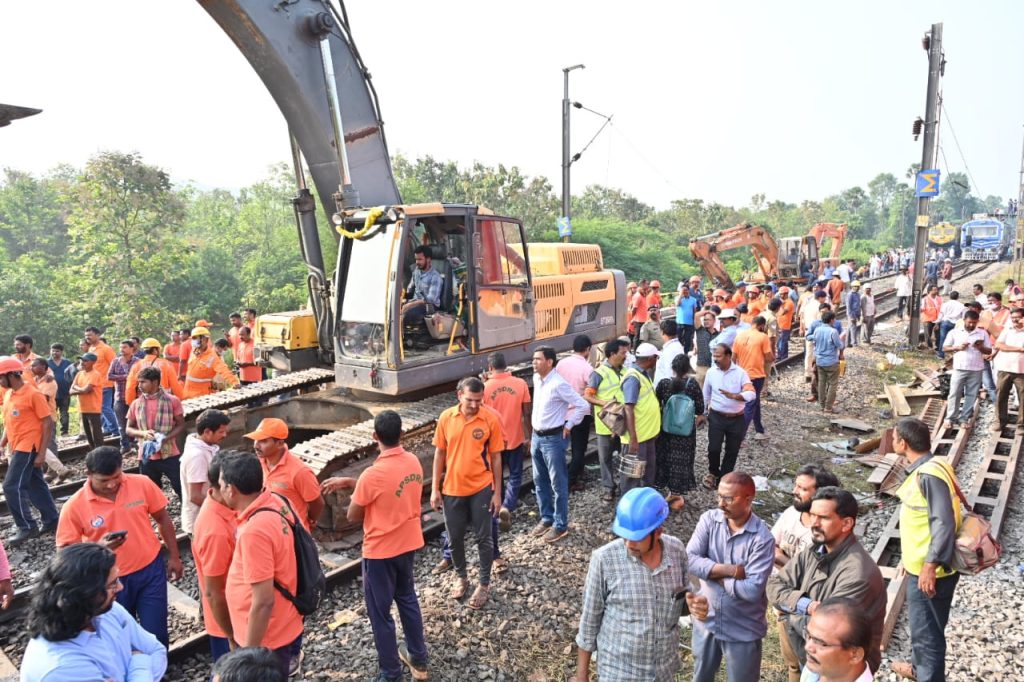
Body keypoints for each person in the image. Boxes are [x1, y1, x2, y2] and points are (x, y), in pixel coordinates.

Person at [321, 411, 430, 682]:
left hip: (381, 552)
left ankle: (391, 673)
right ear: (402, 434)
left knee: (380, 614)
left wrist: (354, 490)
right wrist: (352, 483)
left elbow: (353, 515)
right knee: (407, 598)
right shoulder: (413, 462)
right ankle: (419, 657)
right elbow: (391, 488)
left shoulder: (373, 474)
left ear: (374, 437)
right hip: (408, 543)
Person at [56, 446, 184, 647]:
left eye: (116, 477)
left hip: (150, 570)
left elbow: (163, 518)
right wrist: (99, 548)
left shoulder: (141, 484)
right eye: (103, 480)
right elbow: (65, 553)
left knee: (156, 631)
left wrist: (175, 557)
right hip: (106, 582)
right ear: (88, 475)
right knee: (119, 636)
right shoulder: (74, 506)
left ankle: (158, 673)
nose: (111, 484)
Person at [766, 487, 886, 678]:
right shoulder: (816, 550)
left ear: (847, 523)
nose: (814, 523)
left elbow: (829, 633)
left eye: (823, 517)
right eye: (812, 515)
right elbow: (773, 586)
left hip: (840, 670)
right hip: (815, 657)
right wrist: (806, 605)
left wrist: (787, 610)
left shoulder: (859, 574)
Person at [575, 488, 688, 681]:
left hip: (663, 670)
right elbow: (589, 621)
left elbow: (684, 602)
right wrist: (581, 676)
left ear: (658, 531)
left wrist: (696, 604)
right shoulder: (604, 559)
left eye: (636, 538)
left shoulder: (677, 551)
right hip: (619, 672)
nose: (628, 544)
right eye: (624, 536)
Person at [20, 543, 167, 682]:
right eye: (113, 584)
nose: (121, 587)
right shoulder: (62, 667)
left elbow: (156, 650)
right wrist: (139, 661)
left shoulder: (107, 610)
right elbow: (148, 656)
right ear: (85, 592)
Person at [890, 418, 963, 682]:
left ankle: (928, 675)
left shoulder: (928, 475)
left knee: (927, 635)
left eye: (895, 437)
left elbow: (944, 523)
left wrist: (929, 566)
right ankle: (920, 670)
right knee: (926, 628)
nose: (893, 441)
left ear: (903, 443)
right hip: (921, 565)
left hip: (931, 571)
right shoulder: (936, 464)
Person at [685, 472, 775, 682]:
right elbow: (689, 559)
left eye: (729, 498)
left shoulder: (762, 539)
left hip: (743, 627)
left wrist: (710, 574)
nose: (721, 504)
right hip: (707, 620)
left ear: (748, 499)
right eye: (719, 496)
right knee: (701, 677)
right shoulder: (709, 520)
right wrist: (730, 570)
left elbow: (752, 590)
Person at [219, 452, 303, 675]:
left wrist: (248, 655)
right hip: (283, 619)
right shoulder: (277, 500)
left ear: (232, 489)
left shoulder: (254, 531)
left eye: (220, 484)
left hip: (268, 636)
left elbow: (263, 600)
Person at [431, 377, 503, 606]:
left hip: (481, 488)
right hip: (452, 488)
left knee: (484, 538)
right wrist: (435, 488)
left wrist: (497, 492)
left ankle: (483, 584)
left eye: (479, 401)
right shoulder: (446, 418)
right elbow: (439, 454)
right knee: (455, 538)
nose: (474, 405)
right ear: (459, 395)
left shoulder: (489, 419)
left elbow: (496, 457)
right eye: (470, 400)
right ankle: (461, 577)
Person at [529, 347, 589, 540]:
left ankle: (560, 524)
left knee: (558, 482)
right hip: (536, 437)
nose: (534, 362)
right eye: (533, 359)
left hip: (553, 439)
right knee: (540, 480)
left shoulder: (558, 384)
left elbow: (583, 405)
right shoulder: (537, 379)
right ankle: (546, 518)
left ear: (549, 362)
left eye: (538, 359)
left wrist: (570, 424)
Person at [0, 356, 61, 546]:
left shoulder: (33, 394)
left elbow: (47, 422)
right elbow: (9, 424)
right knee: (36, 484)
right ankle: (52, 520)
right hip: (17, 445)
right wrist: (1, 444)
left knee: (11, 487)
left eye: (1, 376)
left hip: (28, 447)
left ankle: (26, 527)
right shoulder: (9, 394)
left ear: (12, 375)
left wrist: (42, 453)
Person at [192, 452, 239, 661]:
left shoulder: (223, 505)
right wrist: (231, 635)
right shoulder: (215, 531)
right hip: (229, 620)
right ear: (228, 489)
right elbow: (213, 592)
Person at [480, 353, 531, 531]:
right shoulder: (520, 384)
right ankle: (506, 506)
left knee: (496, 476)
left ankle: (496, 506)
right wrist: (529, 436)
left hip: (493, 442)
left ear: (490, 368)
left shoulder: (485, 388)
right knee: (516, 474)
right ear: (506, 366)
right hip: (515, 438)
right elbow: (526, 414)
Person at [245, 418, 324, 531]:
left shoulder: (300, 471)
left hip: (293, 533)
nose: (256, 446)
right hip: (270, 528)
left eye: (263, 441)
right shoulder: (258, 462)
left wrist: (309, 520)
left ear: (280, 443)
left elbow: (317, 503)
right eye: (256, 440)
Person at [125, 366, 186, 501]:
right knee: (151, 492)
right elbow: (128, 429)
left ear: (155, 382)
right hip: (147, 455)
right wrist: (143, 433)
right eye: (139, 382)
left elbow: (181, 424)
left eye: (143, 382)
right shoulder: (136, 403)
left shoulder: (172, 401)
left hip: (169, 453)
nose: (139, 385)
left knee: (181, 487)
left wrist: (165, 438)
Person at [700, 344, 755, 490]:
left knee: (732, 450)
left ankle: (724, 478)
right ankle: (713, 473)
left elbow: (751, 393)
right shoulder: (711, 372)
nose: (715, 359)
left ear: (729, 356)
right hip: (716, 416)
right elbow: (706, 394)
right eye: (714, 356)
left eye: (718, 356)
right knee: (713, 448)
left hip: (737, 419)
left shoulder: (740, 373)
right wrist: (703, 413)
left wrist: (736, 396)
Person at [654, 353, 702, 508]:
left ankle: (665, 487)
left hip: (666, 430)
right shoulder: (692, 384)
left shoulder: (663, 383)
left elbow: (656, 404)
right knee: (681, 461)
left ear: (672, 368)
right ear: (688, 368)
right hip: (685, 433)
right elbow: (700, 408)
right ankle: (676, 494)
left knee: (665, 458)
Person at [584, 338, 629, 502]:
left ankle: (625, 487)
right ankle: (608, 487)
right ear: (612, 354)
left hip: (624, 422)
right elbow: (588, 395)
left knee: (626, 455)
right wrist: (608, 404)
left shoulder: (626, 371)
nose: (626, 355)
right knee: (605, 458)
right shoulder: (598, 373)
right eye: (623, 353)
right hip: (606, 424)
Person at [179, 408, 232, 535]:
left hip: (209, 516)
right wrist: (226, 509)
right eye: (221, 432)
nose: (225, 435)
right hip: (201, 521)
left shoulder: (205, 446)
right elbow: (195, 496)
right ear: (207, 432)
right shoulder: (197, 456)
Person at [800, 599, 877, 682]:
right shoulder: (816, 668)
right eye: (809, 636)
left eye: (821, 643)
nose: (807, 647)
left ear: (855, 655)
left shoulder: (821, 664)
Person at [556, 335, 594, 492]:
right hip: (580, 414)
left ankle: (577, 472)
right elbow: (591, 391)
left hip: (562, 413)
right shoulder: (587, 368)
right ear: (587, 349)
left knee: (565, 448)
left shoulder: (561, 364)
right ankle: (570, 481)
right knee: (579, 449)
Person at [941, 309, 988, 430]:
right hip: (959, 367)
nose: (972, 325)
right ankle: (950, 418)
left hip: (976, 368)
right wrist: (958, 347)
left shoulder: (982, 333)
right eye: (969, 322)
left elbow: (989, 350)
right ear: (964, 321)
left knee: (971, 394)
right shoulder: (955, 332)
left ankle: (964, 418)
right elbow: (945, 348)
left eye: (974, 322)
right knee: (954, 393)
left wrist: (981, 347)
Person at [28, 358, 73, 482]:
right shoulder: (34, 380)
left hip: (47, 416)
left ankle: (53, 471)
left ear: (43, 366)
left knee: (49, 443)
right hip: (36, 418)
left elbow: (44, 399)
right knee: (39, 444)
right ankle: (57, 469)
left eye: (34, 366)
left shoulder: (49, 382)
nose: (31, 368)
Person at [732, 315, 774, 441]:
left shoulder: (740, 336)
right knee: (750, 405)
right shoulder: (763, 337)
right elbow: (768, 357)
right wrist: (772, 357)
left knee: (755, 402)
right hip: (756, 376)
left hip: (742, 375)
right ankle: (738, 436)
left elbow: (733, 357)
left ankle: (759, 429)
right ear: (762, 326)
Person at [184, 325, 239, 399]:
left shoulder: (212, 357)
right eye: (192, 338)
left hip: (201, 394)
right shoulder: (194, 352)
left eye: (195, 338)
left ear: (204, 339)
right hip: (187, 391)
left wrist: (234, 382)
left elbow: (224, 370)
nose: (192, 341)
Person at [124, 337, 185, 404]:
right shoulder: (166, 364)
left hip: (144, 402)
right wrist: (181, 398)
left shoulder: (137, 365)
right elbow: (175, 385)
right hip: (163, 402)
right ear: (156, 350)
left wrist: (130, 402)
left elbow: (130, 386)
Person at [993, 306, 1024, 433]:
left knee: (1023, 397)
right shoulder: (1008, 329)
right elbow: (999, 344)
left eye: (1018, 318)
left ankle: (1021, 425)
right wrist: (1019, 349)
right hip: (1005, 368)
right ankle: (1000, 422)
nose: (1015, 320)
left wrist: (1008, 347)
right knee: (1001, 395)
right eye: (1013, 318)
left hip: (1021, 370)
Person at [84, 326, 118, 436]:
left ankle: (116, 430)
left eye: (90, 335)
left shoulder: (106, 349)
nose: (87, 337)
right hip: (94, 384)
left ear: (98, 335)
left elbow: (115, 364)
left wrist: (113, 379)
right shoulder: (90, 349)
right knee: (99, 408)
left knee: (105, 407)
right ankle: (107, 428)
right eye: (86, 336)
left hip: (105, 383)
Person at [108, 339, 139, 453]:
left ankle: (135, 443)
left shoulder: (137, 362)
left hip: (135, 398)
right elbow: (109, 376)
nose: (122, 350)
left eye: (125, 347)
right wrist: (126, 377)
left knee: (136, 422)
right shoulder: (115, 361)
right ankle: (125, 446)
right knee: (122, 423)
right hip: (120, 397)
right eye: (121, 347)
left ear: (132, 349)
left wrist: (129, 378)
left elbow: (141, 376)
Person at [811, 310, 844, 413]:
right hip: (831, 361)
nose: (835, 320)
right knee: (833, 384)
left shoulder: (817, 330)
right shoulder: (833, 331)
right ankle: (828, 407)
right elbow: (840, 345)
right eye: (834, 319)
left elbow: (814, 343)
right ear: (831, 320)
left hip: (819, 361)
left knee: (821, 383)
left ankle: (822, 405)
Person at [402, 244, 443, 327]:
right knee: (391, 310)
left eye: (420, 259)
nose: (417, 262)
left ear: (428, 260)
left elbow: (430, 299)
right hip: (415, 302)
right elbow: (410, 289)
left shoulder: (435, 277)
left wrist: (410, 305)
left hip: (429, 306)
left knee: (407, 315)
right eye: (416, 259)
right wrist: (402, 295)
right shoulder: (416, 271)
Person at [71, 352, 105, 449]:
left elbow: (87, 390)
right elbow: (71, 390)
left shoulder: (95, 374)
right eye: (81, 360)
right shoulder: (79, 374)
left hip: (93, 408)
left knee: (96, 435)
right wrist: (81, 389)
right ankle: (94, 454)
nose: (82, 362)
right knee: (88, 436)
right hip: (82, 408)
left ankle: (100, 454)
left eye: (85, 360)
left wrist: (77, 388)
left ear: (93, 362)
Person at [47, 343, 73, 436]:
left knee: (64, 413)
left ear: (61, 352)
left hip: (65, 391)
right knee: (50, 413)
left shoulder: (67, 363)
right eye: (53, 350)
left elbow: (72, 376)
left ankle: (64, 432)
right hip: (50, 393)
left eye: (57, 351)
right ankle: (51, 433)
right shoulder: (46, 363)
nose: (54, 353)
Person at [935, 291, 965, 360]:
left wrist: (937, 323)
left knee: (943, 338)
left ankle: (941, 355)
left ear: (950, 296)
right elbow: (963, 316)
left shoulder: (945, 304)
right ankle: (954, 355)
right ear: (957, 297)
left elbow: (941, 315)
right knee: (956, 339)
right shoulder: (961, 305)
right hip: (956, 324)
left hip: (946, 323)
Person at [654, 319, 683, 386]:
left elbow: (670, 375)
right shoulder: (675, 346)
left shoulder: (670, 350)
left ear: (662, 332)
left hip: (665, 390)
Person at [676, 283, 701, 353]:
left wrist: (695, 321)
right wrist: (681, 294)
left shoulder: (693, 300)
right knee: (679, 338)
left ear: (689, 290)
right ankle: (679, 351)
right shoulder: (678, 298)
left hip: (689, 323)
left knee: (687, 339)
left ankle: (686, 353)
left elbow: (694, 311)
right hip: (679, 322)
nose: (685, 291)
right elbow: (677, 304)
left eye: (686, 290)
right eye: (683, 290)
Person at [694, 310, 716, 387]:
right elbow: (696, 315)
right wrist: (709, 311)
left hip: (714, 368)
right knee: (700, 392)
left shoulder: (719, 335)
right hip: (702, 367)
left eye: (708, 319)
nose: (706, 321)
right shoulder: (700, 331)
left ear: (714, 321)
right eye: (704, 320)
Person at [846, 281, 862, 346]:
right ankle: (854, 343)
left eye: (858, 286)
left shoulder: (858, 294)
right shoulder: (850, 294)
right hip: (852, 314)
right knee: (853, 328)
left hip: (856, 313)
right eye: (855, 286)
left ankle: (847, 343)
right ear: (852, 287)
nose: (857, 288)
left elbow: (858, 305)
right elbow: (848, 306)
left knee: (850, 327)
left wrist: (859, 315)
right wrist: (851, 316)